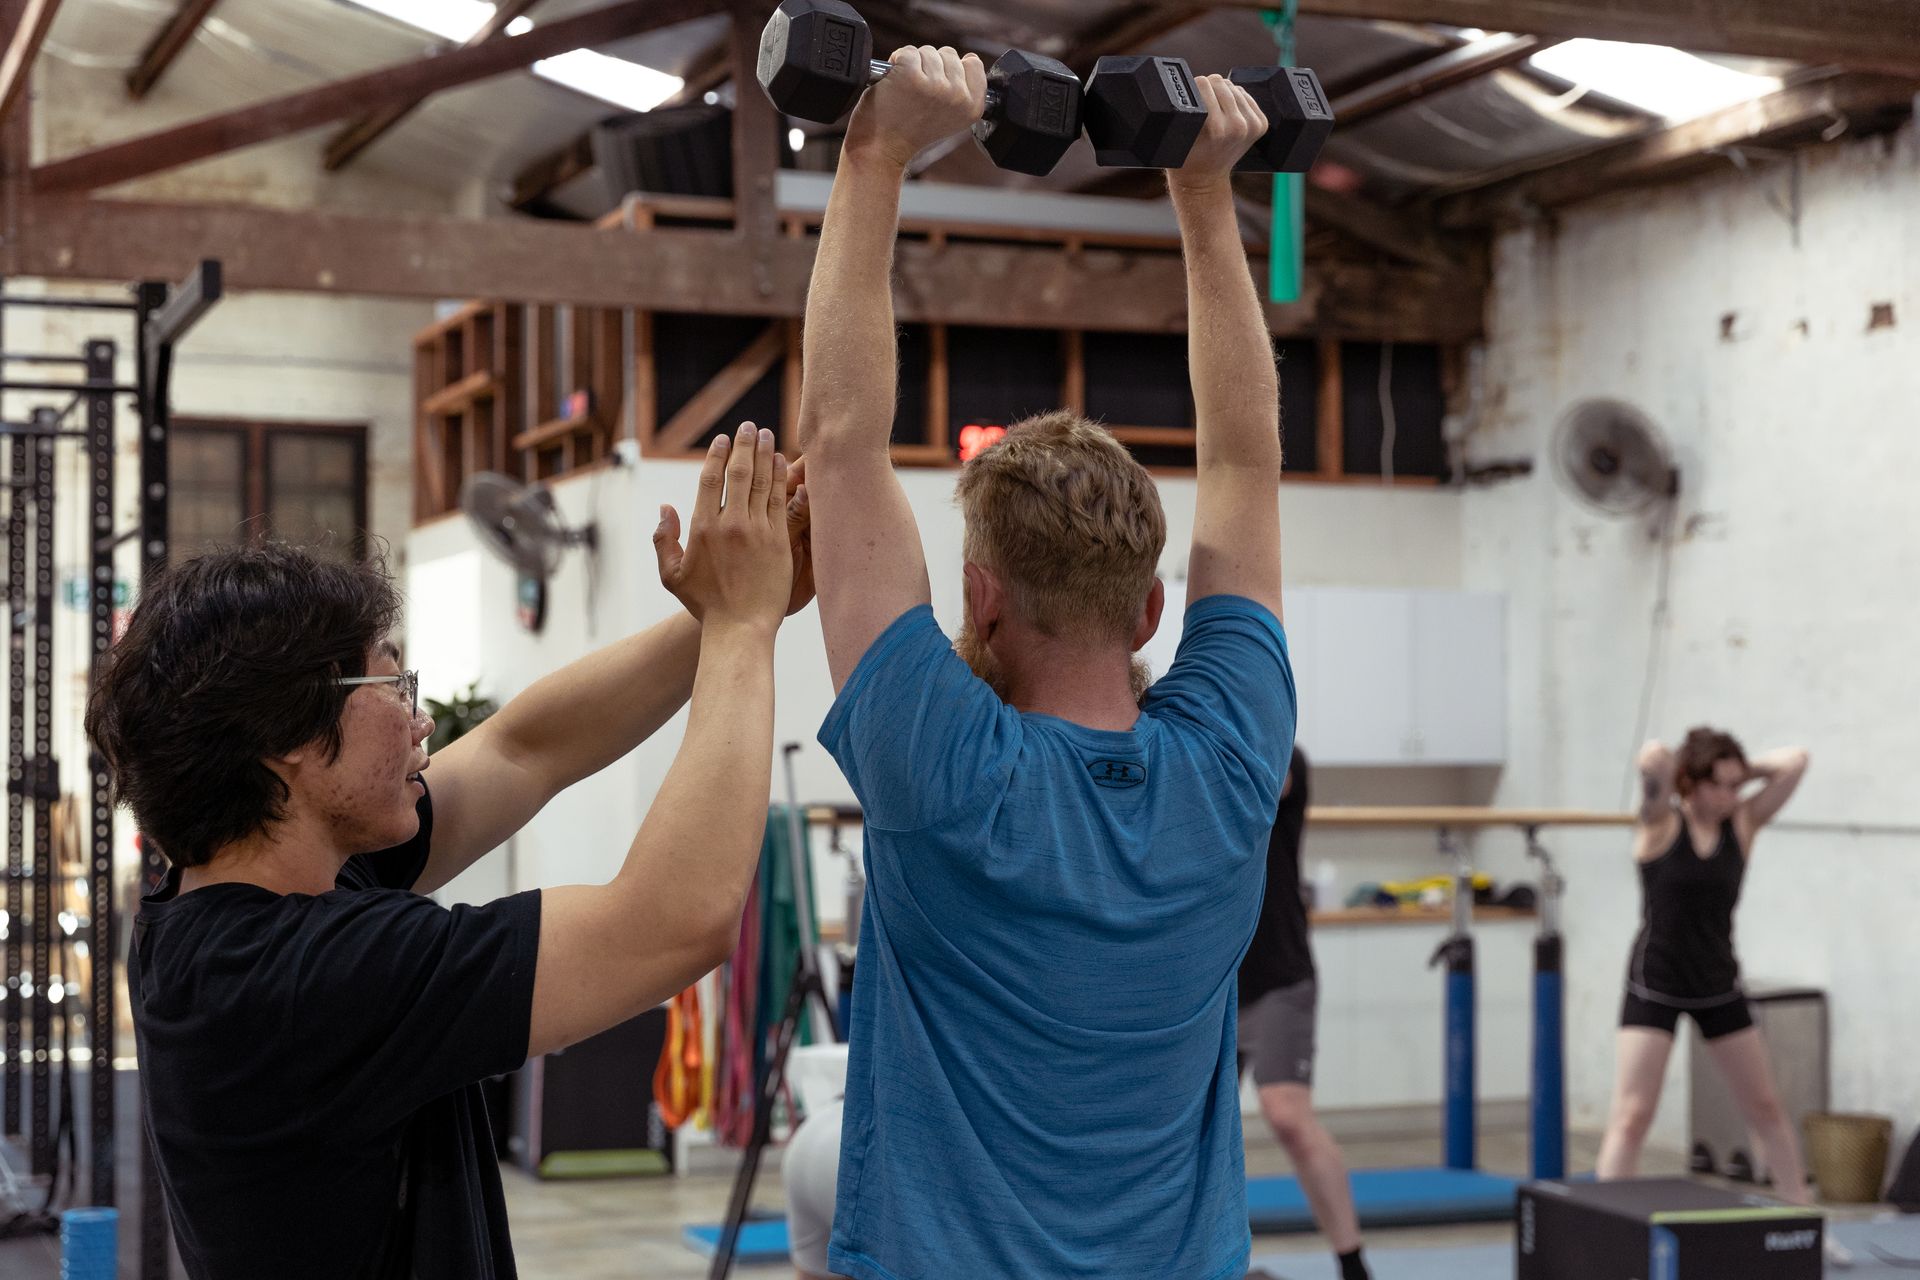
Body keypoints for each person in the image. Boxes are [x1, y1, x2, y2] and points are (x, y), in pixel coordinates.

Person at [793, 46, 1295, 1280]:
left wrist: (875, 150)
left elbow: (842, 444)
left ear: (980, 593)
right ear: (1149, 612)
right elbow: (1245, 460)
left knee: (814, 1179)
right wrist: (1201, 189)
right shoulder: (1232, 763)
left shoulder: (944, 763)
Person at [86, 426, 808, 1279]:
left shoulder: (232, 901)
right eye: (391, 684)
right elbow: (673, 922)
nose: (420, 717)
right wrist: (744, 628)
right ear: (286, 738)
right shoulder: (302, 981)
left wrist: (726, 613)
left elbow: (523, 750)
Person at [1597, 728, 1844, 1262]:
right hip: (1655, 982)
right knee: (1632, 1115)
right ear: (1693, 783)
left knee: (1765, 1106)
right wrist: (1691, 771)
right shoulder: (1661, 823)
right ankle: (1607, 1234)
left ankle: (1802, 1226)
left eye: (1738, 786)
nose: (1731, 796)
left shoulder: (1744, 824)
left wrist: (1738, 770)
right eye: (1720, 786)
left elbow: (1796, 761)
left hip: (1716, 981)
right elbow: (1653, 757)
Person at [1238, 748, 1371, 1280]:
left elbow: (1259, 784)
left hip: (1278, 975)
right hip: (1215, 981)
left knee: (1287, 1113)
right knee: (1191, 1129)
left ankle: (1354, 1264)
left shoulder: (1282, 757)